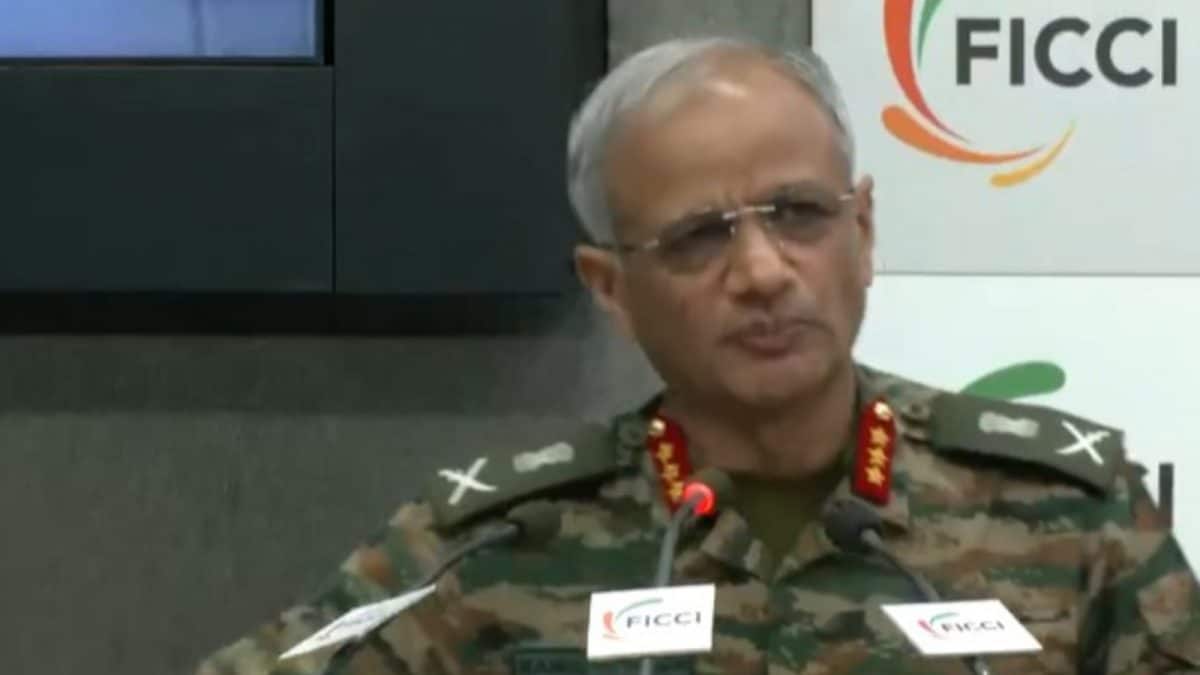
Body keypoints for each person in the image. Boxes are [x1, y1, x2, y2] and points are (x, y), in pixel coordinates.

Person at [194, 36, 1200, 675]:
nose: (762, 271)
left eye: (799, 214)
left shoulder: (1071, 509)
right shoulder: (497, 542)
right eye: (698, 238)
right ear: (610, 287)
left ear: (862, 230)